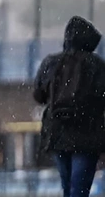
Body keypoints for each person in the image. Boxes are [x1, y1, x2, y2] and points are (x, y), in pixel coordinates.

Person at [34, 16, 105, 197]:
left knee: (67, 185)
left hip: (58, 133)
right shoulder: (97, 65)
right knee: (79, 188)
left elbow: (39, 95)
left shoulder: (51, 62)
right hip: (88, 133)